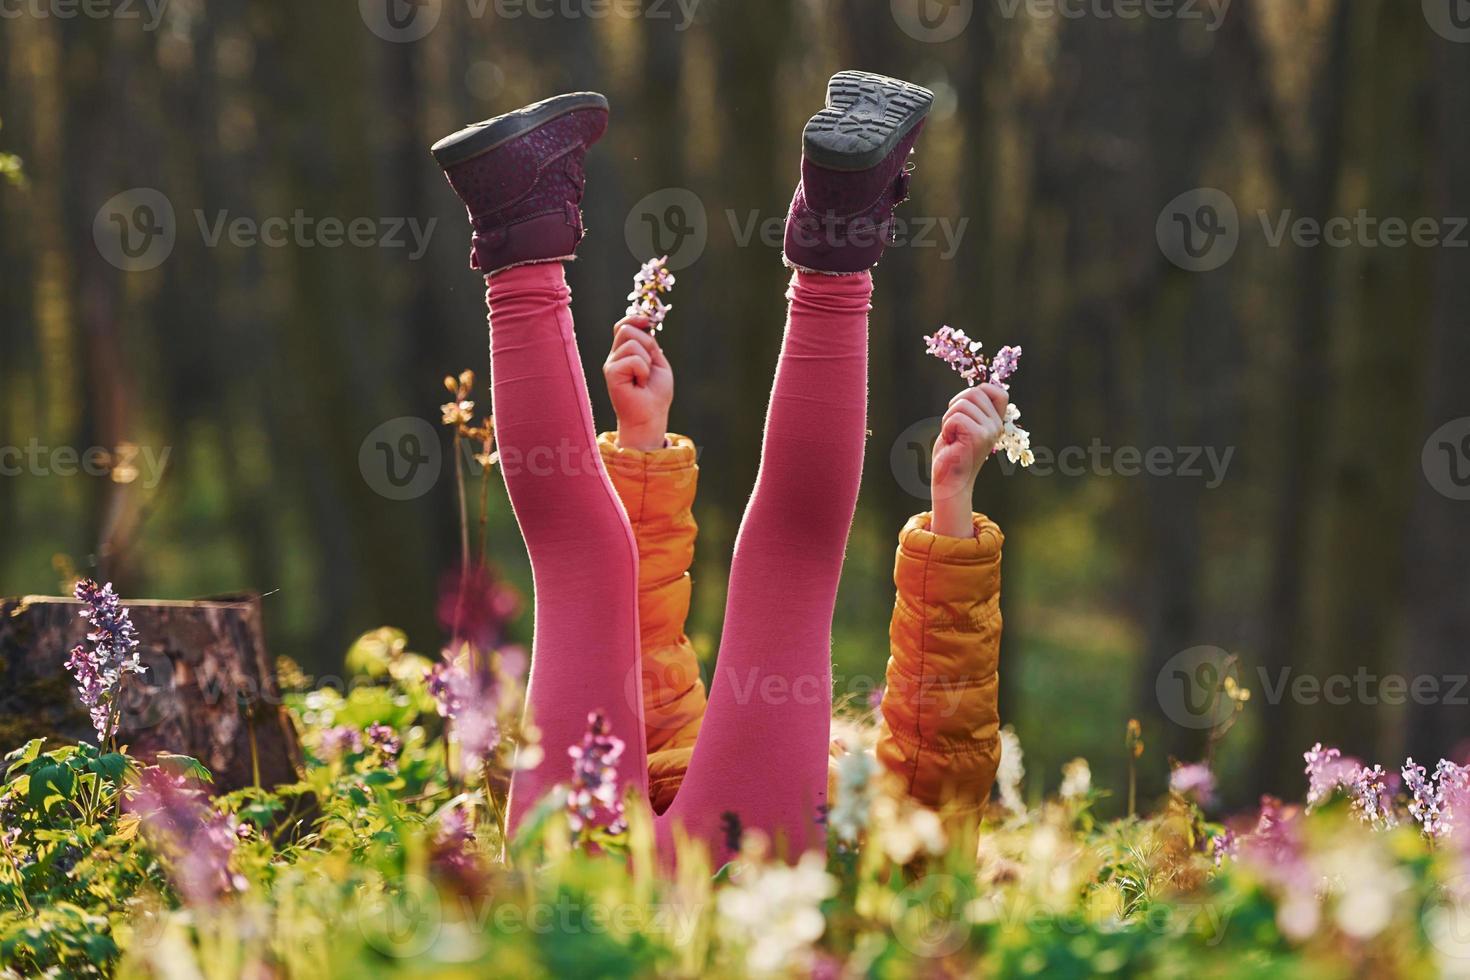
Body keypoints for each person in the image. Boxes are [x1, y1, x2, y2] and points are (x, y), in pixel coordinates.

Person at [431, 71, 1003, 862]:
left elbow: (645, 672)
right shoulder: (875, 824)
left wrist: (640, 454)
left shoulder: (824, 779)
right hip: (690, 878)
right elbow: (948, 761)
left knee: (703, 564)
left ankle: (835, 229)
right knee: (621, 563)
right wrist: (951, 514)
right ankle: (516, 236)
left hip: (669, 860)